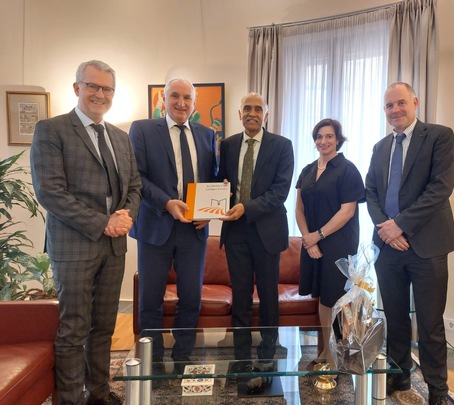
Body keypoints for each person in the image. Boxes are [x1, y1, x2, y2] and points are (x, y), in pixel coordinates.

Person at [30, 60, 142, 405]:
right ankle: (69, 398)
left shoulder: (120, 137)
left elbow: (134, 186)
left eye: (107, 88)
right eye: (93, 86)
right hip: (74, 245)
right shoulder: (52, 130)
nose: (100, 94)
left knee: (104, 326)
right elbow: (50, 192)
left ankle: (97, 391)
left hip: (113, 247)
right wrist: (102, 222)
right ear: (77, 88)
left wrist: (126, 216)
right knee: (74, 327)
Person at [365, 82, 454, 405]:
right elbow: (371, 193)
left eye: (400, 103)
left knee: (430, 323)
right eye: (389, 106)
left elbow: (440, 189)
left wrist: (400, 226)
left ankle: (437, 390)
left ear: (415, 102)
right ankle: (399, 373)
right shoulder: (379, 148)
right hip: (388, 249)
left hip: (427, 246)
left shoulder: (439, 137)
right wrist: (387, 231)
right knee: (395, 316)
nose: (395, 110)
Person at [128, 78, 218, 362]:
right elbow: (136, 177)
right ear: (162, 101)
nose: (181, 103)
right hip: (156, 226)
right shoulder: (142, 130)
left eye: (187, 98)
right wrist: (166, 203)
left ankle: (183, 357)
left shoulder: (207, 134)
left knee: (191, 299)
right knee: (150, 300)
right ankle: (152, 360)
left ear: (194, 103)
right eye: (175, 96)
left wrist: (208, 210)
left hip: (193, 230)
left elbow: (211, 179)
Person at [219, 92, 294, 360]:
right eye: (247, 108)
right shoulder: (227, 145)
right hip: (236, 231)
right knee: (240, 295)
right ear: (239, 114)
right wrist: (220, 194)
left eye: (258, 108)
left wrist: (246, 208)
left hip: (267, 231)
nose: (252, 113)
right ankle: (240, 355)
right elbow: (220, 182)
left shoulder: (282, 145)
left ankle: (267, 353)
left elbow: (279, 192)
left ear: (266, 115)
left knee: (267, 295)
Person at [295, 118, 365, 370]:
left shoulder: (348, 170)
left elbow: (347, 212)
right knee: (321, 299)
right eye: (319, 136)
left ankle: (337, 359)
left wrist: (318, 236)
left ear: (338, 139)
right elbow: (299, 209)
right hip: (313, 244)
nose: (323, 141)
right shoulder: (307, 170)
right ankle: (325, 352)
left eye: (329, 136)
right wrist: (308, 239)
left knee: (335, 301)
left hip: (338, 245)